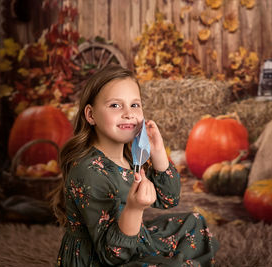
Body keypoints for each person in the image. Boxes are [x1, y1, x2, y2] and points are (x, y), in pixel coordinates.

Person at [51, 64, 219, 267]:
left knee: (194, 222)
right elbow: (112, 255)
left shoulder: (130, 157)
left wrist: (158, 153)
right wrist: (134, 208)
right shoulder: (89, 172)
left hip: (130, 239)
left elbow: (169, 199)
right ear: (91, 115)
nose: (128, 114)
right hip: (100, 258)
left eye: (135, 105)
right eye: (115, 105)